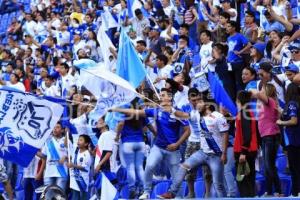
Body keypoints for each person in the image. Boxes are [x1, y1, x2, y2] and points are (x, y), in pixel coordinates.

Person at [111, 88, 190, 199]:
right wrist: (117, 110)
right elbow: (136, 112)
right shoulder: (156, 110)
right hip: (158, 147)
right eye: (160, 95)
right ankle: (146, 192)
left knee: (176, 177)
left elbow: (188, 131)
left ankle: (180, 197)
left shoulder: (177, 112)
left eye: (163, 95)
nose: (160, 97)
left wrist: (177, 144)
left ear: (170, 97)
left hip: (173, 149)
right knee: (149, 166)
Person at [158, 98, 229, 198]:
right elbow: (182, 115)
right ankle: (172, 193)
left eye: (200, 102)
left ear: (207, 105)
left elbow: (225, 135)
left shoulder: (218, 117)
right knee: (183, 166)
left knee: (218, 185)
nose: (197, 104)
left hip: (216, 155)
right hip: (202, 153)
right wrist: (171, 109)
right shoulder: (196, 114)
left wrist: (224, 154)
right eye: (196, 102)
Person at [115, 99, 156, 198]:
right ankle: (143, 189)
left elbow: (120, 124)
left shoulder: (126, 113)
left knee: (130, 167)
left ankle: (132, 189)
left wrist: (117, 136)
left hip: (128, 143)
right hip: (140, 142)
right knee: (140, 167)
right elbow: (150, 126)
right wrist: (156, 134)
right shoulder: (142, 115)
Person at [250, 84, 283, 197]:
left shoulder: (270, 101)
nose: (261, 91)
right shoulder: (265, 103)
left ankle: (279, 191)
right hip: (266, 136)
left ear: (267, 91)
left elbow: (257, 93)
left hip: (271, 136)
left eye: (263, 89)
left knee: (270, 165)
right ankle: (269, 192)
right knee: (267, 165)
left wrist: (251, 90)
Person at [276, 83, 300, 197]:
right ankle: (296, 192)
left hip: (294, 140)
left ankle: (296, 193)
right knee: (295, 167)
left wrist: (281, 122)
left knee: (295, 168)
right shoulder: (293, 104)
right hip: (293, 139)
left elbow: (293, 120)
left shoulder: (292, 104)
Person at [234, 91, 258, 197]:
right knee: (248, 180)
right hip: (249, 150)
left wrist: (243, 152)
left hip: (244, 152)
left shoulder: (244, 113)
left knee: (244, 181)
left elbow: (247, 134)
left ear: (238, 101)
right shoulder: (248, 112)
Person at [37, 122, 69, 192]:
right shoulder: (48, 141)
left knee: (59, 195)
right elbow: (44, 155)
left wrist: (65, 157)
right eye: (54, 127)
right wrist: (33, 152)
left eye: (57, 127)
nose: (55, 129)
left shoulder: (66, 140)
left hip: (62, 173)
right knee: (48, 195)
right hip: (49, 173)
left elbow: (71, 155)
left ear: (62, 130)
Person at [67, 135, 92, 200]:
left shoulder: (87, 154)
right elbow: (72, 159)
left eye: (81, 140)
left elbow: (85, 168)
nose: (78, 141)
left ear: (86, 143)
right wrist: (66, 158)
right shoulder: (76, 151)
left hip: (82, 181)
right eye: (78, 140)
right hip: (74, 180)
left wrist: (73, 165)